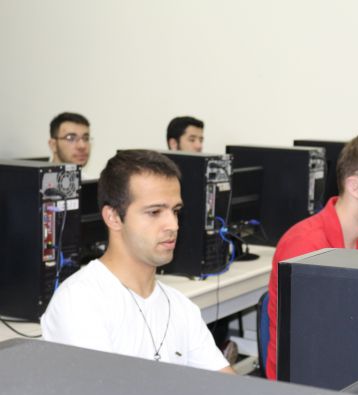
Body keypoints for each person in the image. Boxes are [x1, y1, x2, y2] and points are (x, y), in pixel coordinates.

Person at [41, 150, 234, 373]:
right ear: (113, 217)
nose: (173, 225)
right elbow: (101, 393)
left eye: (175, 211)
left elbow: (227, 384)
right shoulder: (80, 302)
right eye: (155, 212)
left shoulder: (181, 307)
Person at [265, 134, 358, 380]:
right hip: (303, 383)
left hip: (348, 364)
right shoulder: (305, 247)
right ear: (355, 187)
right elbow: (311, 348)